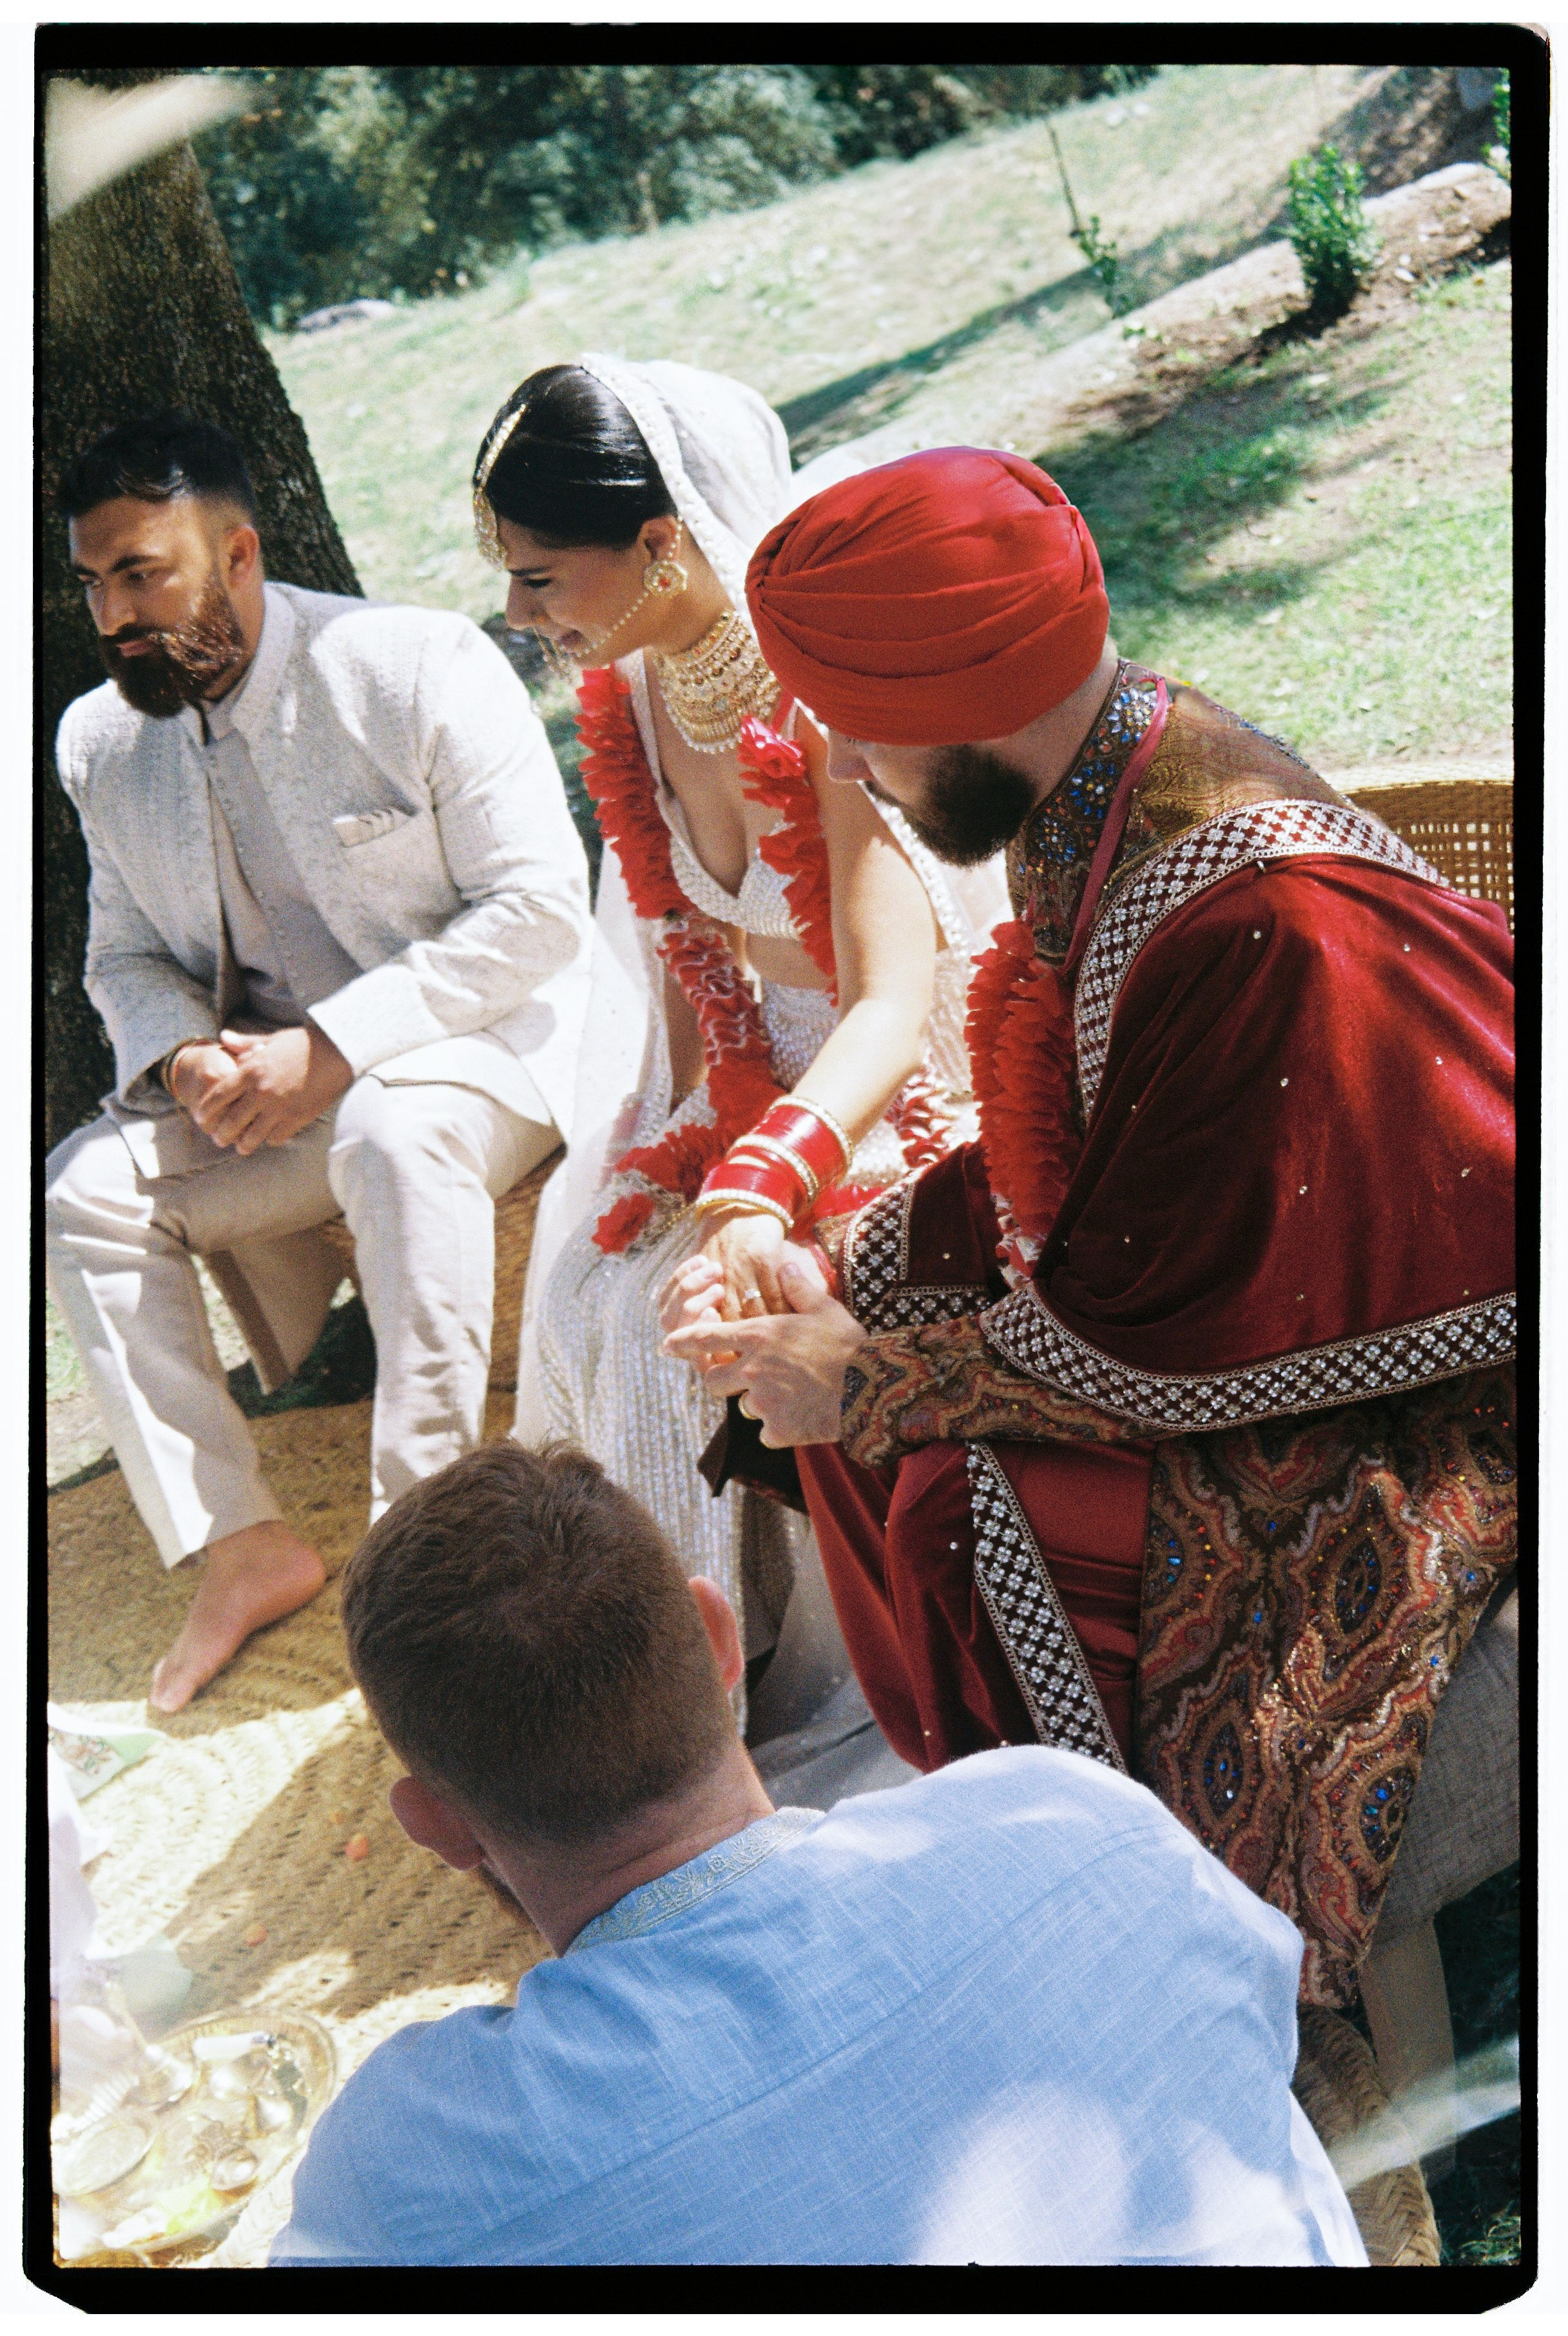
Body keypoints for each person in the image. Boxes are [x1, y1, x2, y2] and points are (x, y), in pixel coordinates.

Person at [662, 446, 1516, 2011]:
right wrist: (837, 1269)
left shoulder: (1255, 923)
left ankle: (1152, 1943)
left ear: (962, 690)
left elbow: (1175, 1319)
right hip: (1270, 1296)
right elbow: (1117, 1172)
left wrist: (865, 1379)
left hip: (1426, 1388)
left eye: (857, 726)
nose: (843, 770)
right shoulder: (1102, 775)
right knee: (879, 1274)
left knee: (968, 1502)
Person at [270, 1440, 1366, 2268]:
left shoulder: (409, 2173)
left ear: (434, 1822)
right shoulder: (1065, 1815)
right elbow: (1259, 2022)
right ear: (714, 1643)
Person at [45, 413, 593, 1713]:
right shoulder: (98, 743)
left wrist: (336, 1048)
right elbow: (123, 960)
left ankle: (430, 1551)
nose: (115, 614)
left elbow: (540, 912)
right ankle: (244, 1548)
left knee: (391, 1131)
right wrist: (184, 1064)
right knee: (83, 1193)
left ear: (237, 555)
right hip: (278, 1111)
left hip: (487, 1052)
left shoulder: (413, 664)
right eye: (92, 582)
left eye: (144, 573)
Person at [476, 360, 1004, 1697]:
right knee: (594, 1282)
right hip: (748, 1086)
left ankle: (768, 1685)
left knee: (711, 1307)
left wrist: (758, 1181)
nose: (513, 608)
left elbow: (892, 1005)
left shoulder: (825, 685)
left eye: (537, 576)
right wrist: (690, 1143)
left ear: (658, 545)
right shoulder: (635, 686)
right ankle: (651, 1689)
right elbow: (678, 955)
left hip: (894, 1090)